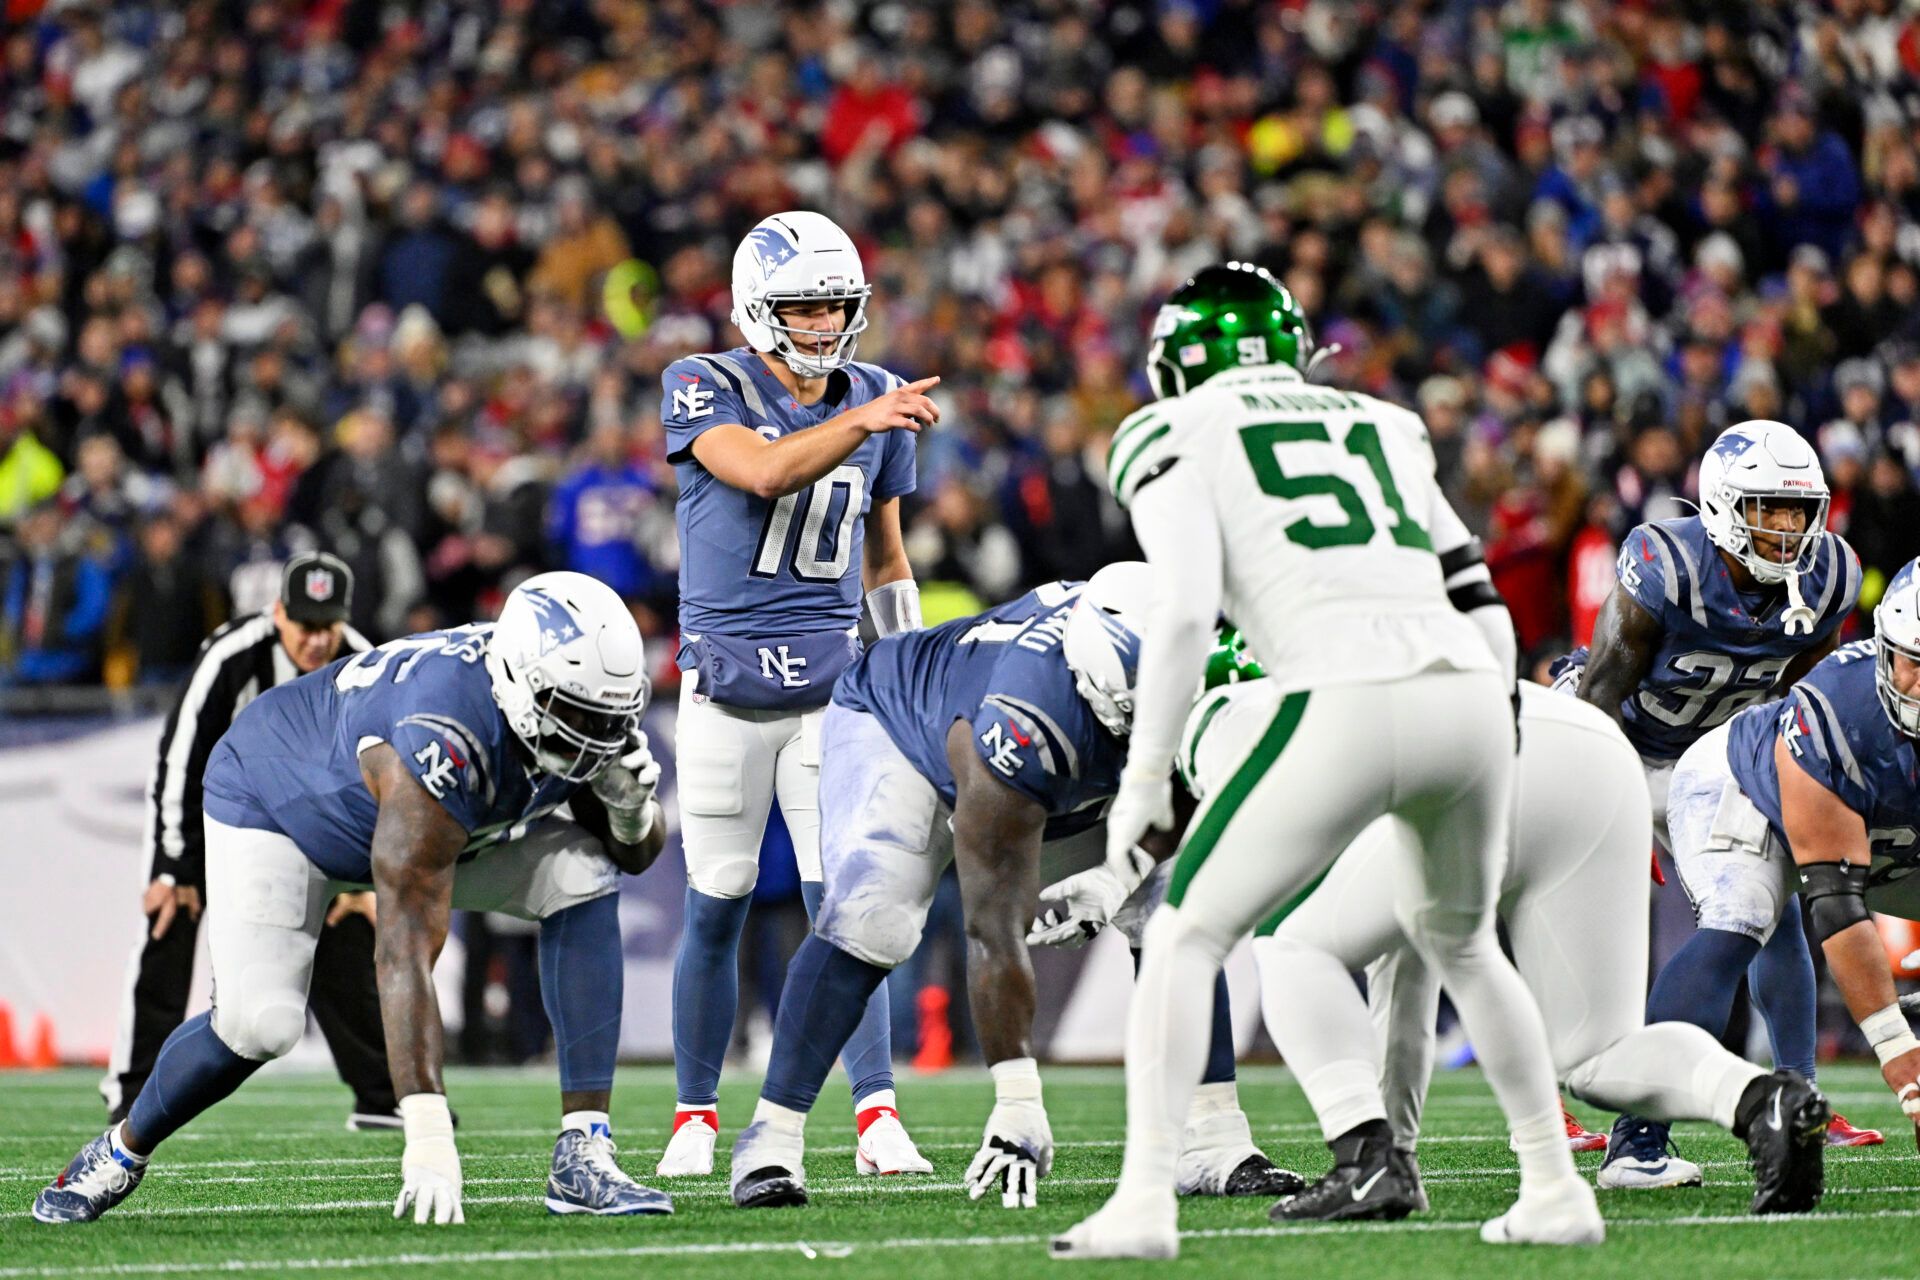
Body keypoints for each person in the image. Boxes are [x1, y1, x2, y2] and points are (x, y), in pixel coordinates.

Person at [1055, 262, 1598, 1259]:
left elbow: (1179, 613)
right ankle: (1555, 1185)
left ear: (1179, 362)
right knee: (1466, 946)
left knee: (1183, 935)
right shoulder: (1388, 422)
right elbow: (1482, 603)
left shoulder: (1167, 429)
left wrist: (1142, 783)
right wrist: (1498, 724)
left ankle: (1142, 1201)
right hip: (1471, 698)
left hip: (1338, 695)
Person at [34, 572, 672, 1225]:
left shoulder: (573, 699)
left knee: (583, 873)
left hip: (418, 823)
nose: (597, 733)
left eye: (611, 716)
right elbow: (401, 951)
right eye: (578, 715)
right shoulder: (442, 734)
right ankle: (117, 1151)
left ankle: (584, 1153)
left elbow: (634, 854)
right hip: (279, 806)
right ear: (518, 686)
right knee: (261, 1023)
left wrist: (630, 813)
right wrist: (427, 1139)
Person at [726, 568, 1299, 1210]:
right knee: (874, 917)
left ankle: (1212, 1138)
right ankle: (770, 1142)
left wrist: (1117, 881)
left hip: (1070, 761)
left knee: (1174, 909)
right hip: (899, 725)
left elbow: (1191, 797)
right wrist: (1018, 1099)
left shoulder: (1204, 656)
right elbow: (993, 922)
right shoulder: (1023, 719)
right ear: (1102, 690)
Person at [655, 211, 935, 1179]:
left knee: (850, 901)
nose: (821, 322)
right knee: (718, 902)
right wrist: (856, 420)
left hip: (834, 690)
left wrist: (906, 678)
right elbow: (767, 470)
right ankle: (695, 1111)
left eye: (834, 304)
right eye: (802, 303)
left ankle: (875, 1110)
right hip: (727, 689)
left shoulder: (877, 394)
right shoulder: (703, 383)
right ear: (755, 306)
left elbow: (886, 554)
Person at [1555, 419, 1874, 1185]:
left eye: (1801, 511)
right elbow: (1601, 693)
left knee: (1767, 910)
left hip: (1717, 758)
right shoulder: (1664, 562)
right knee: (1556, 913)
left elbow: (1802, 695)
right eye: (1771, 508)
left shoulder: (1828, 575)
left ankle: (1796, 1094)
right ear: (1728, 505)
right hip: (1612, 743)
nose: (1790, 528)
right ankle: (1543, 1100)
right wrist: (1605, 811)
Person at [1631, 558, 1920, 1161]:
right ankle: (1638, 1139)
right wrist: (1901, 1059)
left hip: (1888, 829)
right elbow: (1838, 909)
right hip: (1745, 785)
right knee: (1744, 915)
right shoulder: (1839, 711)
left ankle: (1801, 1098)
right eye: (1914, 663)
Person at [101, 553, 400, 1131]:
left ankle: (382, 1095)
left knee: (342, 931)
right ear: (277, 611)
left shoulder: (362, 664)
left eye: (328, 626)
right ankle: (133, 1091)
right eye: (305, 625)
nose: (317, 641)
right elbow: (179, 756)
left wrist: (362, 880)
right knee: (169, 922)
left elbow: (380, 782)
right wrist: (174, 865)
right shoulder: (231, 655)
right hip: (215, 812)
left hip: (301, 826)